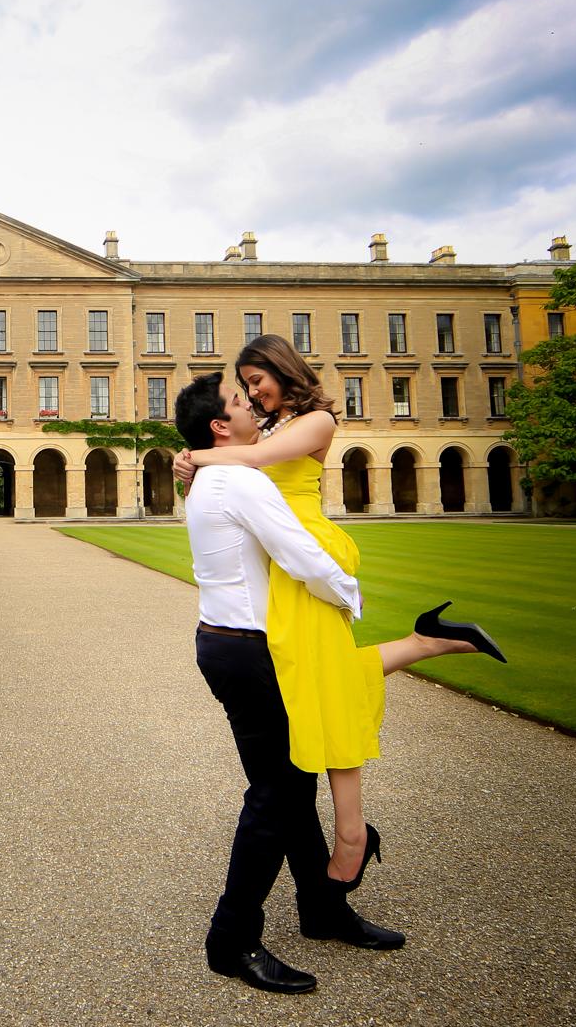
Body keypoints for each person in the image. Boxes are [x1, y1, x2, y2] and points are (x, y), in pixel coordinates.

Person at [174, 360, 506, 994]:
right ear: (222, 426)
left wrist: (192, 457)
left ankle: (322, 910)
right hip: (252, 652)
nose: (252, 407)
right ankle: (231, 938)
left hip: (224, 644)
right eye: (240, 403)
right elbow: (303, 557)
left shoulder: (216, 478)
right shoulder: (239, 482)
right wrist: (348, 594)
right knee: (276, 796)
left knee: (290, 790)